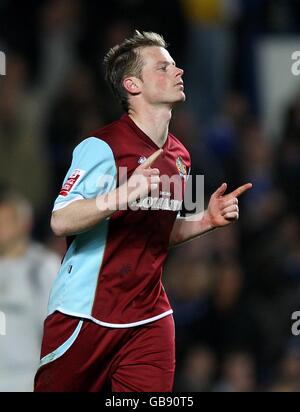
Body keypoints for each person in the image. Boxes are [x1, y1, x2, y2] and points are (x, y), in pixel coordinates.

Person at [34, 30, 252, 392]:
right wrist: (122, 195)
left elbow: (158, 234)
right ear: (132, 84)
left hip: (150, 316)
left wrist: (206, 221)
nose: (179, 71)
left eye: (175, 65)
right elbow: (60, 220)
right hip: (85, 312)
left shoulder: (180, 155)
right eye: (164, 67)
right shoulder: (101, 146)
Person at [0, 188, 60, 391]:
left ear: (24, 223)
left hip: (27, 378)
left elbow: (56, 327)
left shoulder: (43, 266)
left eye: (5, 221)